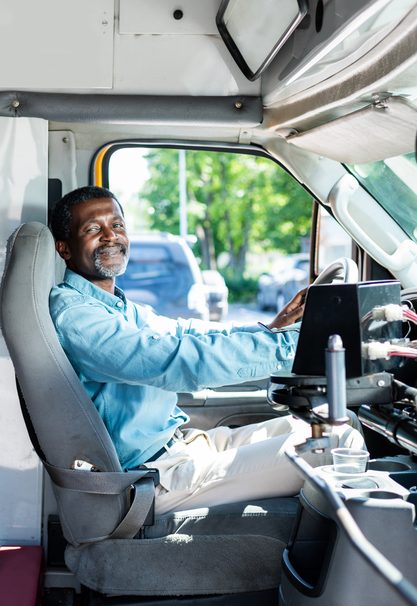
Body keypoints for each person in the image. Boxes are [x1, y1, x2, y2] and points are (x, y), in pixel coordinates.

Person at [49, 186, 365, 515]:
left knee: (336, 426)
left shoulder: (117, 307)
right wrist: (305, 346)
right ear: (64, 247)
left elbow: (189, 332)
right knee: (340, 445)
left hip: (180, 448)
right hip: (151, 478)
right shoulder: (77, 316)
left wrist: (273, 329)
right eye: (93, 229)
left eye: (117, 225)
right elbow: (176, 359)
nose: (110, 236)